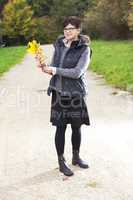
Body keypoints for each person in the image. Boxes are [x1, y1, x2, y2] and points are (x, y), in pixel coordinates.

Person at [38, 16, 92, 176]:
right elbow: (54, 67)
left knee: (76, 127)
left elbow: (77, 73)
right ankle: (61, 162)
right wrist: (46, 68)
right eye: (65, 29)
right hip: (58, 93)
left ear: (78, 30)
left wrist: (55, 70)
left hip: (75, 94)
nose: (67, 31)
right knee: (60, 128)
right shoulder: (59, 45)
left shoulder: (84, 49)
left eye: (71, 29)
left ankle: (76, 157)